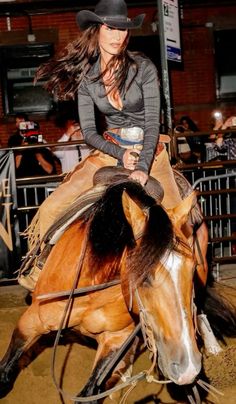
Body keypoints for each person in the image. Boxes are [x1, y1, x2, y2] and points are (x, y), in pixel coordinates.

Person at [18, 0, 206, 291]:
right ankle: (41, 267)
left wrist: (142, 165)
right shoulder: (88, 78)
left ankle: (187, 293)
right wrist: (120, 154)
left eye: (123, 29)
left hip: (151, 150)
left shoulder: (143, 67)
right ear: (97, 30)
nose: (118, 35)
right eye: (111, 28)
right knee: (51, 207)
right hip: (109, 150)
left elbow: (152, 123)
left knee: (175, 223)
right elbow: (90, 132)